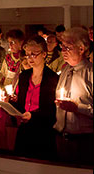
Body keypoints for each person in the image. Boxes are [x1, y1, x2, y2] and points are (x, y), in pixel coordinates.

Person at [10, 36, 58, 160]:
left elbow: (52, 109)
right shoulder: (24, 76)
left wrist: (33, 116)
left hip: (43, 131)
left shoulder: (52, 78)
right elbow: (21, 104)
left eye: (34, 54)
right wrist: (9, 103)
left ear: (44, 54)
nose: (30, 58)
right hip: (24, 130)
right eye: (27, 54)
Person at [53, 27, 93, 165]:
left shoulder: (91, 73)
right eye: (62, 46)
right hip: (61, 137)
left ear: (81, 49)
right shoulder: (65, 70)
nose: (63, 51)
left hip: (84, 141)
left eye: (68, 47)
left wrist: (77, 107)